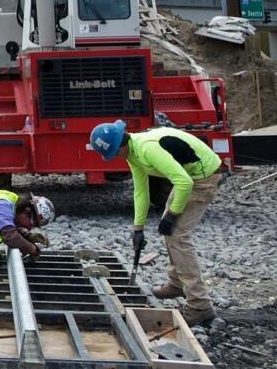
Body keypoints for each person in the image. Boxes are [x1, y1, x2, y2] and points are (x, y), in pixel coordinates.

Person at [90, 119, 223, 325]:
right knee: (169, 231)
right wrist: (138, 228)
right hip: (188, 177)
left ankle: (200, 306)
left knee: (178, 235)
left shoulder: (146, 149)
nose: (115, 157)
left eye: (115, 152)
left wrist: (172, 214)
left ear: (121, 144)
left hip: (202, 177)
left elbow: (184, 182)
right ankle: (177, 283)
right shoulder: (133, 153)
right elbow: (141, 191)